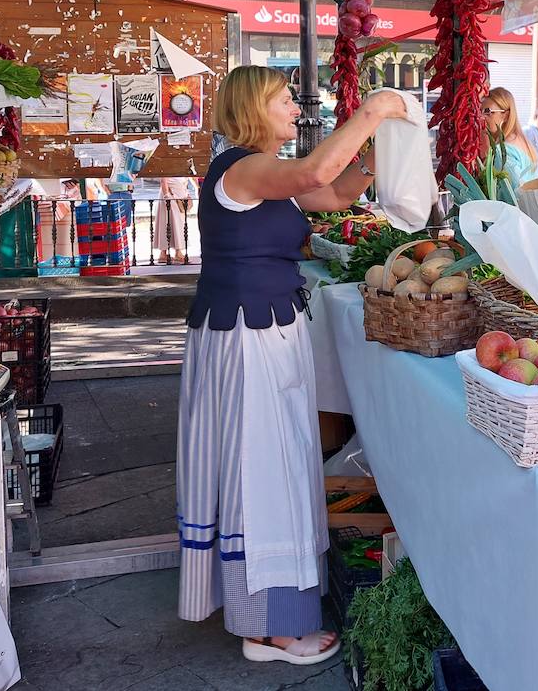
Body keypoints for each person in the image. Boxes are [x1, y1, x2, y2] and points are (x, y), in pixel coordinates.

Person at [178, 66, 406, 665]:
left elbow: (329, 194)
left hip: (265, 328)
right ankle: (268, 629)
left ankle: (272, 615)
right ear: (254, 107)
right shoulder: (245, 167)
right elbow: (312, 172)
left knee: (276, 462)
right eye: (284, 101)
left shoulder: (258, 170)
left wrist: (376, 159)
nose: (295, 110)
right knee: (263, 470)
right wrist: (372, 110)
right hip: (247, 335)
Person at [482, 87, 538, 187]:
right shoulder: (520, 140)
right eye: (480, 111)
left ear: (506, 115)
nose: (482, 116)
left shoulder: (503, 151)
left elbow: (516, 191)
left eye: (488, 111)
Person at [152, 175, 196, 265]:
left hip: (179, 198)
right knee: (169, 223)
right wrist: (166, 195)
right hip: (170, 197)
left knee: (178, 224)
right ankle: (172, 253)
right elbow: (163, 180)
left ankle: (170, 253)